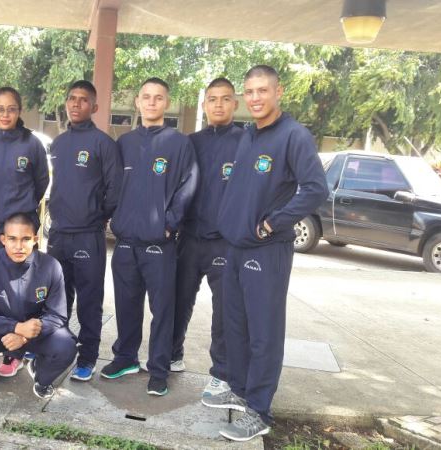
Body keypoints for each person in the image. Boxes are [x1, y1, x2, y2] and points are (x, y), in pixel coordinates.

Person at [202, 65, 327, 442]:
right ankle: (241, 391)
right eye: (250, 91)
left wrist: (273, 223)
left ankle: (259, 410)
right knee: (236, 326)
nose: (255, 98)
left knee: (264, 333)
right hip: (236, 247)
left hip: (267, 249)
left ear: (278, 92)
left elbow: (315, 189)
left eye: (263, 90)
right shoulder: (248, 135)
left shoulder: (293, 135)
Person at [102, 78, 197, 396]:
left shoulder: (179, 143)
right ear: (138, 102)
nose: (152, 102)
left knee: (162, 310)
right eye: (146, 97)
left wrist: (169, 224)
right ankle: (125, 358)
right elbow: (113, 185)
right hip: (126, 242)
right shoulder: (125, 143)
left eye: (158, 97)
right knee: (126, 304)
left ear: (167, 103)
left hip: (160, 243)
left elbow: (188, 186)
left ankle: (158, 369)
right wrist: (114, 218)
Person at [172, 77, 244, 396]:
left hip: (224, 242)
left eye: (225, 99)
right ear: (203, 105)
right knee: (178, 299)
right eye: (212, 99)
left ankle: (221, 373)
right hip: (189, 237)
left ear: (235, 104)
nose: (218, 104)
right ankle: (172, 354)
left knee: (224, 309)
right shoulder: (190, 142)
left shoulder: (246, 142)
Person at [0, 212, 76, 399]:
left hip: (35, 333)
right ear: (3, 239)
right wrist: (16, 327)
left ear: (35, 239)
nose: (19, 246)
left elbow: (57, 315)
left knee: (66, 346)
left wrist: (25, 336)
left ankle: (41, 374)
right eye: (12, 239)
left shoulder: (51, 266)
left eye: (25, 239)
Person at [0, 86, 49, 377]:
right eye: (0, 109)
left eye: (11, 109)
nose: (5, 114)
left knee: (21, 288)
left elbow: (41, 183)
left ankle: (18, 351)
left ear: (19, 111)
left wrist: (20, 211)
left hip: (21, 226)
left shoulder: (32, 144)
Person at [47, 80, 121, 381]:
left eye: (83, 100)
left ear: (94, 106)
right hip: (58, 234)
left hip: (88, 235)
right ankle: (59, 351)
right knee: (57, 299)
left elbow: (115, 189)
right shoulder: (58, 143)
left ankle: (88, 357)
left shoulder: (103, 144)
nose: (76, 104)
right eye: (72, 98)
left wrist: (99, 216)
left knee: (89, 300)